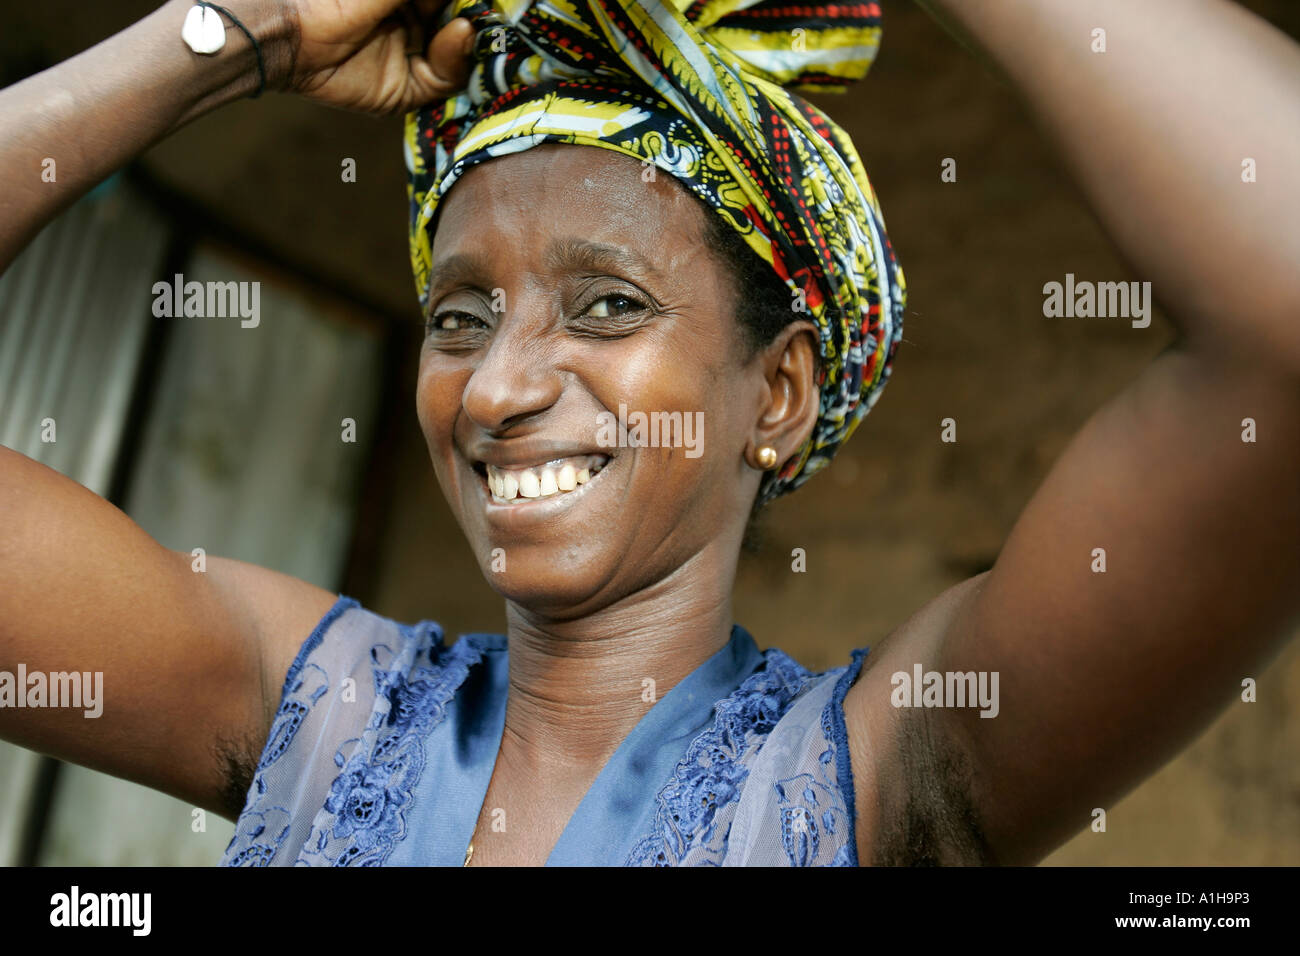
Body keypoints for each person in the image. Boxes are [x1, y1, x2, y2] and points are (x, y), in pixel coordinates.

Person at [0, 0, 1297, 866]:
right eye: (459, 318)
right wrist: (238, 35)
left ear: (776, 396)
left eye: (607, 303)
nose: (497, 388)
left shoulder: (863, 785)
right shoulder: (319, 716)